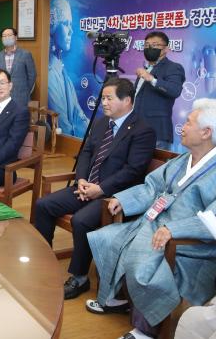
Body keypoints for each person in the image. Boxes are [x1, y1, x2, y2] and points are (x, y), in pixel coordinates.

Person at [86, 98, 216, 339]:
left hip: (187, 244)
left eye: (188, 123)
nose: (182, 127)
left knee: (144, 266)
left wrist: (174, 230)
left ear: (206, 132)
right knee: (107, 239)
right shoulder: (181, 160)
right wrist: (123, 199)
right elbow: (152, 187)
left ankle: (145, 329)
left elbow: (212, 219)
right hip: (153, 225)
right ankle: (117, 299)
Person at [34, 78, 156, 300]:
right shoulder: (101, 123)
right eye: (103, 98)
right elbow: (86, 153)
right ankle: (43, 259)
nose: (104, 103)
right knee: (43, 205)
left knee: (81, 220)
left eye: (109, 98)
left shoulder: (142, 130)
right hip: (86, 187)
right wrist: (81, 179)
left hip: (113, 196)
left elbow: (133, 171)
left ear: (127, 100)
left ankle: (79, 277)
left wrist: (100, 189)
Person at [134, 31, 185, 150]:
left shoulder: (173, 67)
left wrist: (151, 79)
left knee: (156, 168)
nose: (150, 48)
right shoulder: (146, 69)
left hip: (157, 132)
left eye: (155, 45)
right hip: (135, 129)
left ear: (165, 49)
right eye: (146, 45)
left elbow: (175, 90)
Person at [48, 0, 89, 137]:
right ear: (53, 27)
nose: (71, 31)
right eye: (66, 23)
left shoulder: (60, 69)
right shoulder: (50, 73)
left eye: (71, 24)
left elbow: (78, 114)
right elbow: (63, 125)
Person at [0, 27, 36, 108]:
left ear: (16, 37)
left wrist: (25, 90)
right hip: (2, 96)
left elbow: (32, 75)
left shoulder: (26, 54)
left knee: (20, 119)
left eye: (9, 35)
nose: (7, 37)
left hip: (21, 96)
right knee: (4, 120)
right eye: (4, 36)